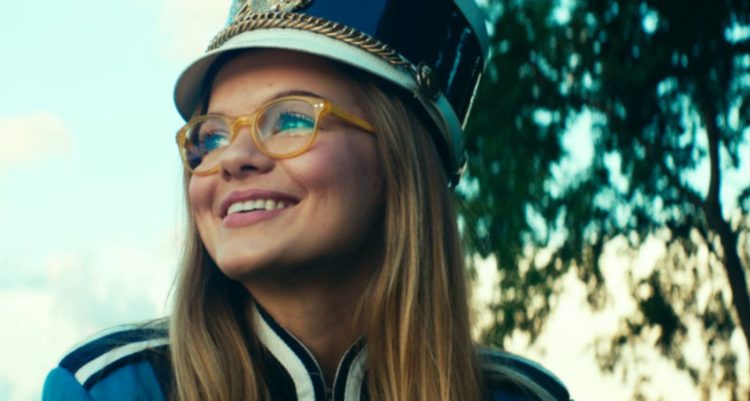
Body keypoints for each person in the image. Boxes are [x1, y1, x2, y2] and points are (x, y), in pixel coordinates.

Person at [43, 1, 571, 400]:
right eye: (213, 134)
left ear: (400, 163)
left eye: (292, 119)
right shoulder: (108, 389)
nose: (233, 158)